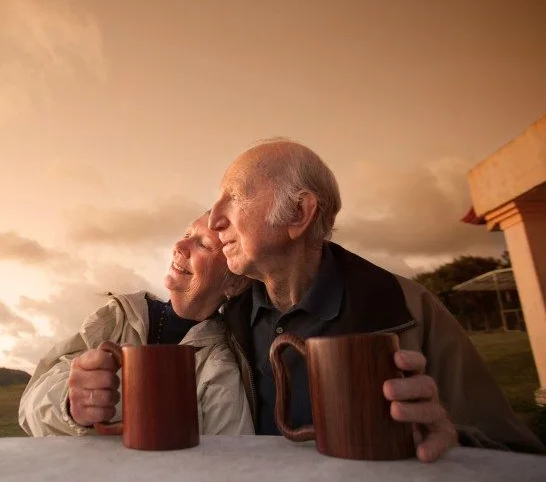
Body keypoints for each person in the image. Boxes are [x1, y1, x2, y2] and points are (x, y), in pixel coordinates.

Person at [208, 138, 546, 461]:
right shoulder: (225, 320)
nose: (214, 219)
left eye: (235, 197)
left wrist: (453, 442)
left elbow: (518, 456)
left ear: (299, 212)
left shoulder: (409, 307)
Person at [19, 212, 254, 437]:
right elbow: (30, 408)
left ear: (234, 284)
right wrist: (69, 404)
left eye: (203, 244)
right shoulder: (118, 318)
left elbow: (229, 460)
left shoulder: (219, 366)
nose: (180, 247)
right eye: (186, 235)